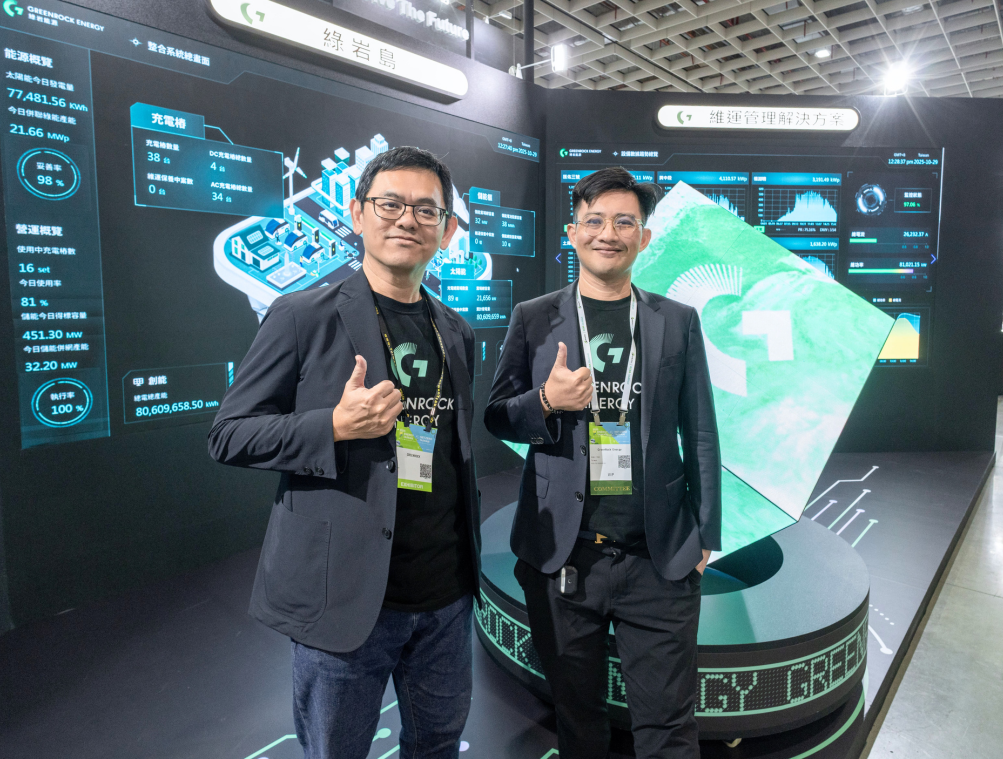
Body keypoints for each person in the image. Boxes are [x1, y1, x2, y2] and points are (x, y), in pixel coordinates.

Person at [208, 146, 480, 759]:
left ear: (446, 230)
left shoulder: (456, 331)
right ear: (358, 214)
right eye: (390, 204)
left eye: (426, 209)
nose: (407, 219)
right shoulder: (302, 316)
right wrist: (330, 426)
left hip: (445, 596)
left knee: (438, 743)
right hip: (346, 598)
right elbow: (228, 433)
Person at [484, 166, 721, 758]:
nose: (607, 233)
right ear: (572, 233)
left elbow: (701, 431)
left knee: (669, 729)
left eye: (624, 222)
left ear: (645, 238)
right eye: (593, 221)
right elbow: (497, 416)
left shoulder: (676, 320)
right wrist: (546, 400)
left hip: (659, 558)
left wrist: (706, 537)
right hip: (563, 558)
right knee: (578, 723)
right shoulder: (534, 317)